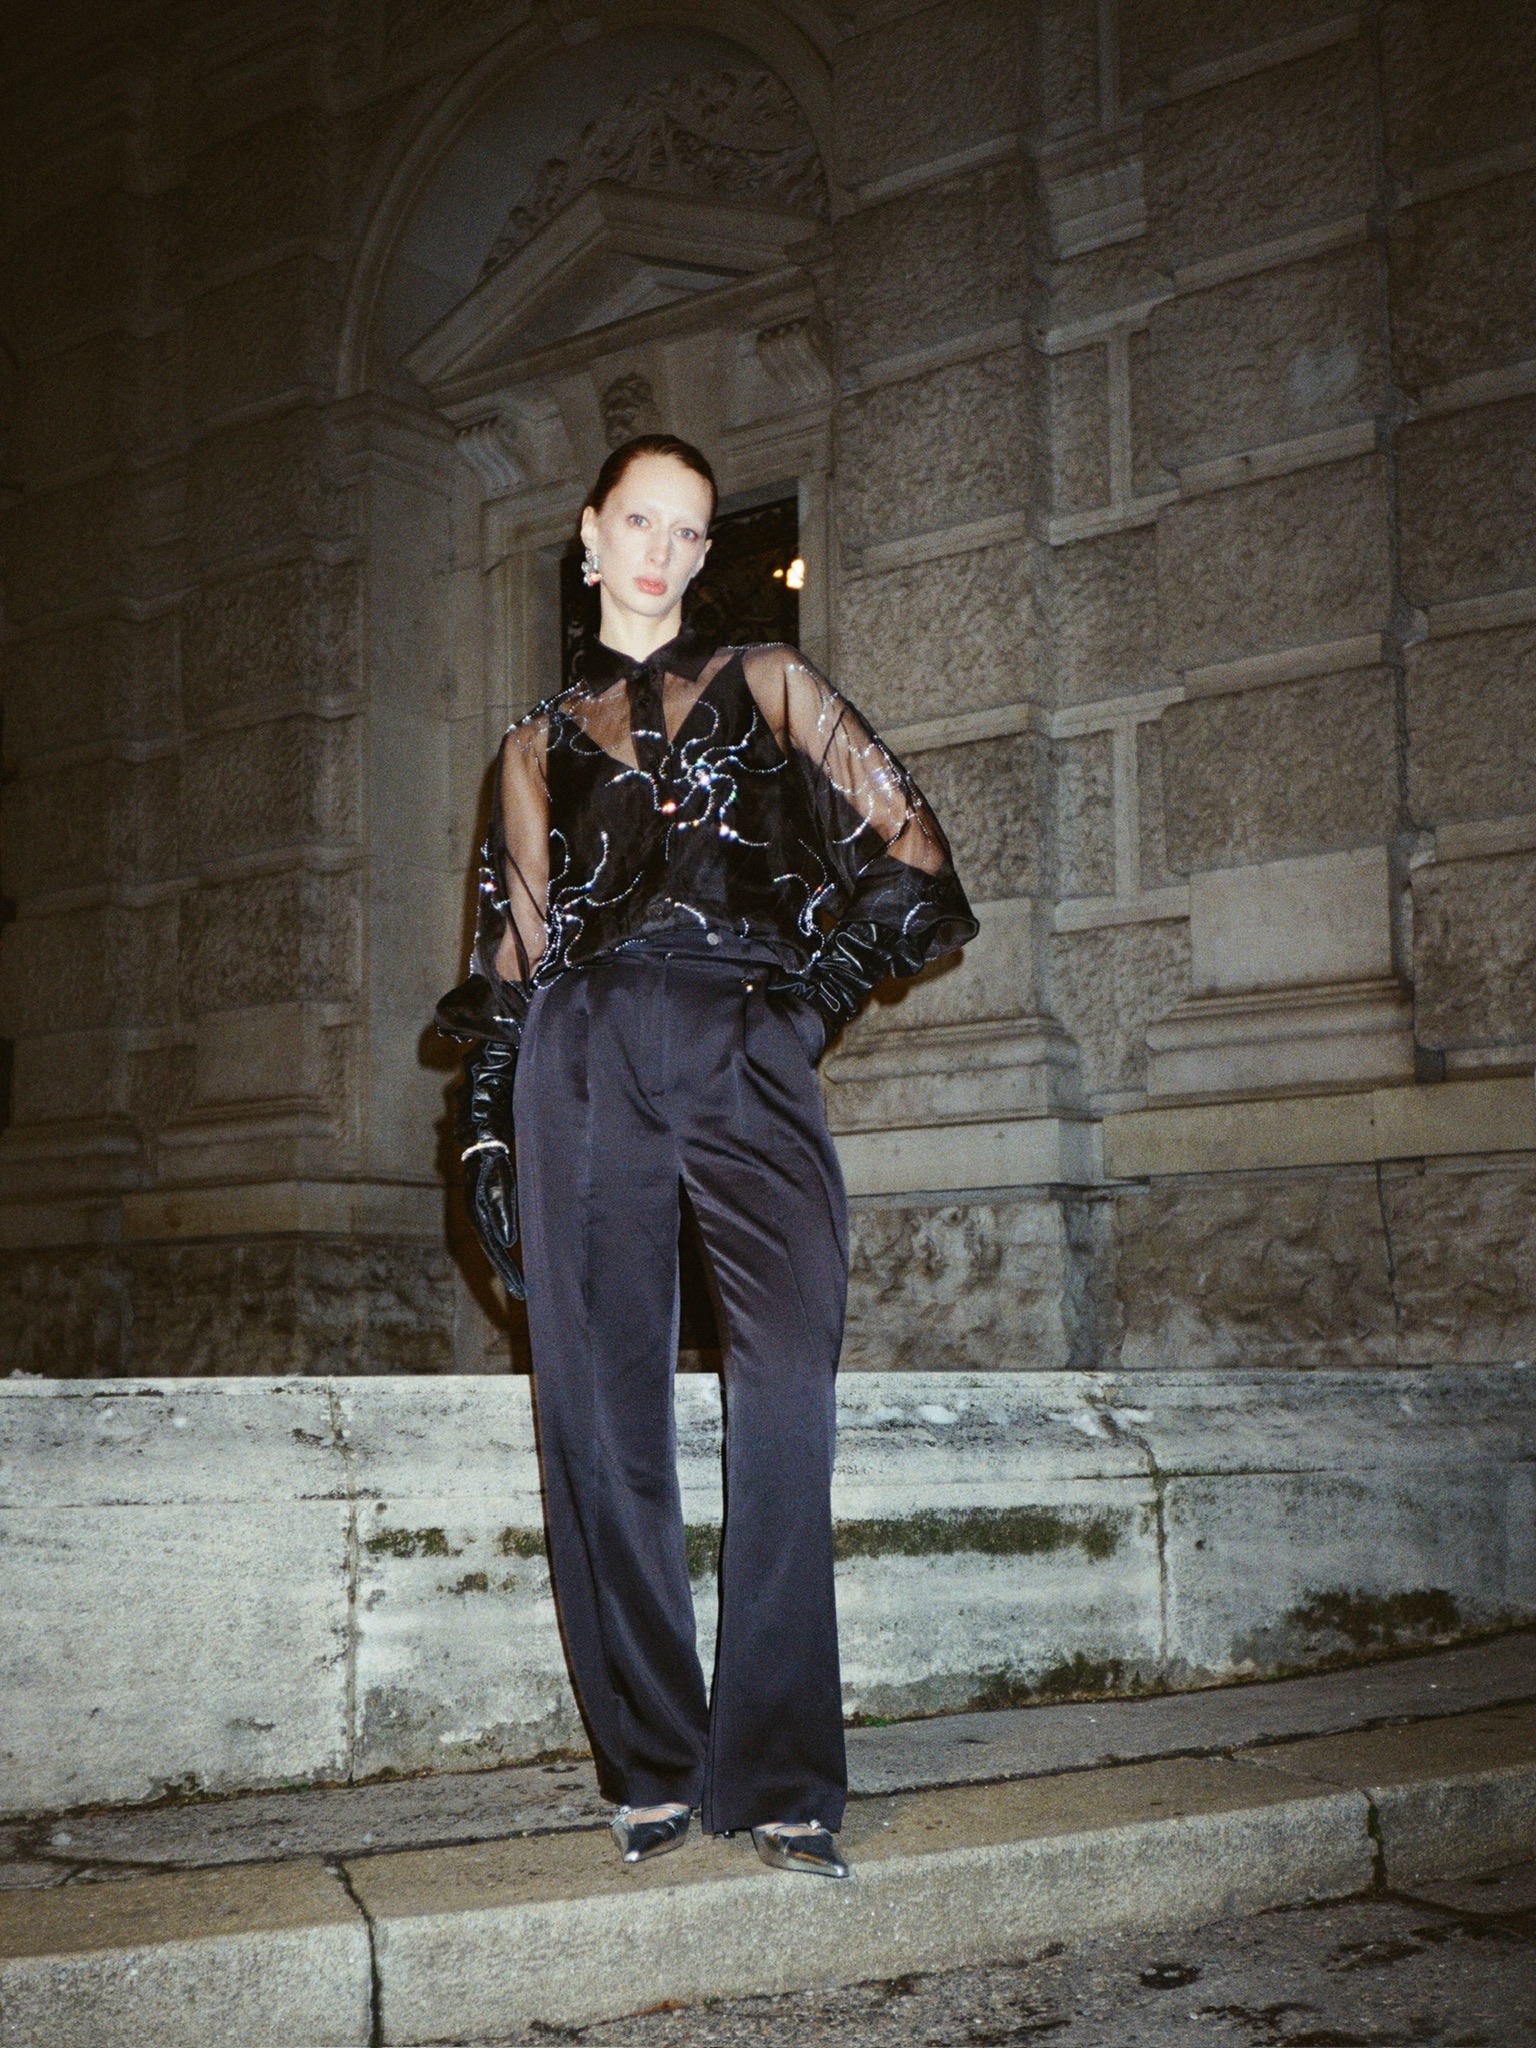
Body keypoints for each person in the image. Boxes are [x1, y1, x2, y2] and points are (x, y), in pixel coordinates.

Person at [437, 432, 976, 1879]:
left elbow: (916, 857)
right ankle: (655, 1760)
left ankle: (785, 1769)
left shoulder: (769, 682)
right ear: (590, 534)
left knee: (787, 1381)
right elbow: (515, 955)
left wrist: (803, 1003)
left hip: (745, 1037)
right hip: (581, 1058)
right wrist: (486, 1127)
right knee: (600, 1407)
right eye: (642, 521)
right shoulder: (532, 745)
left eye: (690, 530)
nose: (666, 551)